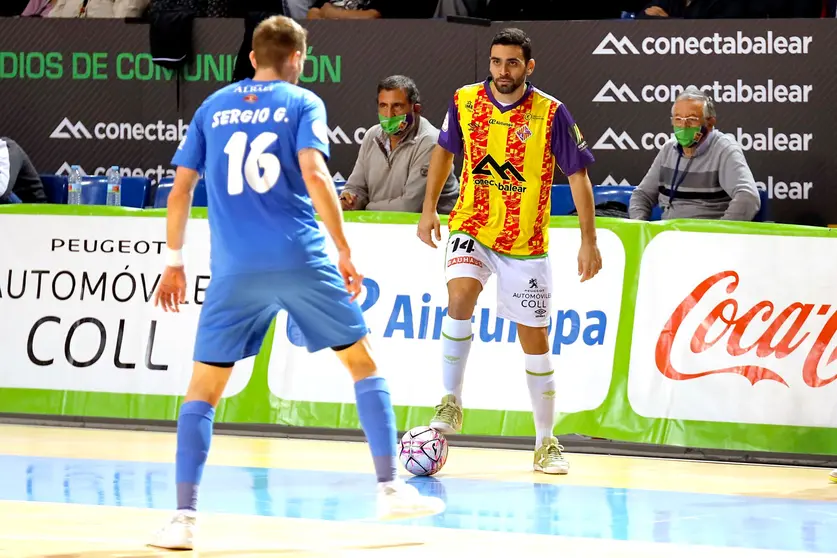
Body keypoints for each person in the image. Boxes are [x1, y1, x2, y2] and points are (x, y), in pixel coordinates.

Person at [148, 15, 444, 551]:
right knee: (363, 362)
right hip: (300, 258)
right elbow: (313, 174)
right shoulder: (303, 103)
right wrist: (344, 248)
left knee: (204, 391)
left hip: (234, 268)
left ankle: (183, 519)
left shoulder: (212, 108)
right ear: (297, 58)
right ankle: (389, 488)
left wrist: (174, 260)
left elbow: (180, 189)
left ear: (253, 55)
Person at [416, 28, 602, 475]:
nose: (503, 71)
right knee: (459, 295)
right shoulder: (464, 101)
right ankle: (451, 401)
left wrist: (588, 239)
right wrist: (428, 210)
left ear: (528, 67)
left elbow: (578, 176)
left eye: (513, 63)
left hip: (525, 241)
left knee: (534, 341)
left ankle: (545, 441)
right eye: (497, 62)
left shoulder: (551, 113)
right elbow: (444, 154)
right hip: (473, 224)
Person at [629, 86, 760, 222]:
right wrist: (640, 226)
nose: (684, 126)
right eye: (678, 119)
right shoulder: (669, 149)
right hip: (668, 235)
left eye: (692, 119)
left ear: (710, 123)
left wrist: (720, 233)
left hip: (705, 237)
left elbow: (748, 198)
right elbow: (642, 195)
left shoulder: (724, 149)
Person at [340, 75, 458, 214]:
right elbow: (356, 187)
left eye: (397, 106)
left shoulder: (431, 142)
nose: (389, 115)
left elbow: (410, 207)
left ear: (416, 108)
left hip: (434, 229)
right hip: (383, 223)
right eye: (383, 106)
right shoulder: (372, 135)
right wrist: (350, 200)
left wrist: (366, 208)